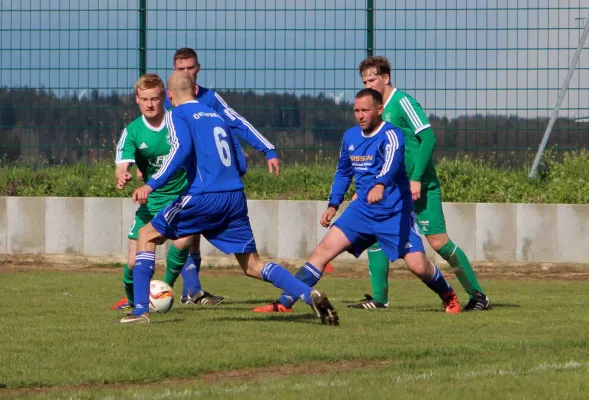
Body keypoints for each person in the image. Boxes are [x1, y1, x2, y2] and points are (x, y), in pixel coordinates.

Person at [119, 72, 339, 326]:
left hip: (204, 195)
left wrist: (152, 183)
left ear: (169, 96)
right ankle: (307, 293)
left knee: (146, 235)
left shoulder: (177, 115)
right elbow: (240, 160)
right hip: (234, 196)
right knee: (252, 265)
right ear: (194, 89)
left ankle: (139, 313)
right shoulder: (216, 115)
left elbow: (181, 150)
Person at [252, 88, 461, 314]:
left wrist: (380, 184)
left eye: (365, 110)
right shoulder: (351, 136)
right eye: (356, 111)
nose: (360, 115)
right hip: (361, 211)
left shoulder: (392, 134)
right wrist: (333, 205)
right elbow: (343, 172)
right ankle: (285, 304)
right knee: (322, 252)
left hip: (394, 213)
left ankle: (448, 295)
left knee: (418, 265)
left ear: (379, 110)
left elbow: (392, 163)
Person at [353, 56, 490, 311]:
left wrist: (416, 178)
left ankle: (478, 295)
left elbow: (428, 138)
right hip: (394, 190)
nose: (368, 85)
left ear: (386, 78)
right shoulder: (376, 110)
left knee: (439, 244)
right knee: (375, 235)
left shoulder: (403, 103)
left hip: (421, 187)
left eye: (372, 80)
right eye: (364, 81)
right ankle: (379, 300)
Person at [114, 74, 223, 311]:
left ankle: (165, 288)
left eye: (154, 98)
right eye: (144, 99)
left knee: (183, 241)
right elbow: (122, 164)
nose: (150, 104)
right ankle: (132, 302)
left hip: (180, 198)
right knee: (133, 263)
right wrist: (123, 174)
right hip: (150, 202)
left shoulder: (179, 121)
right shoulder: (132, 131)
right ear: (137, 100)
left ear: (164, 96)